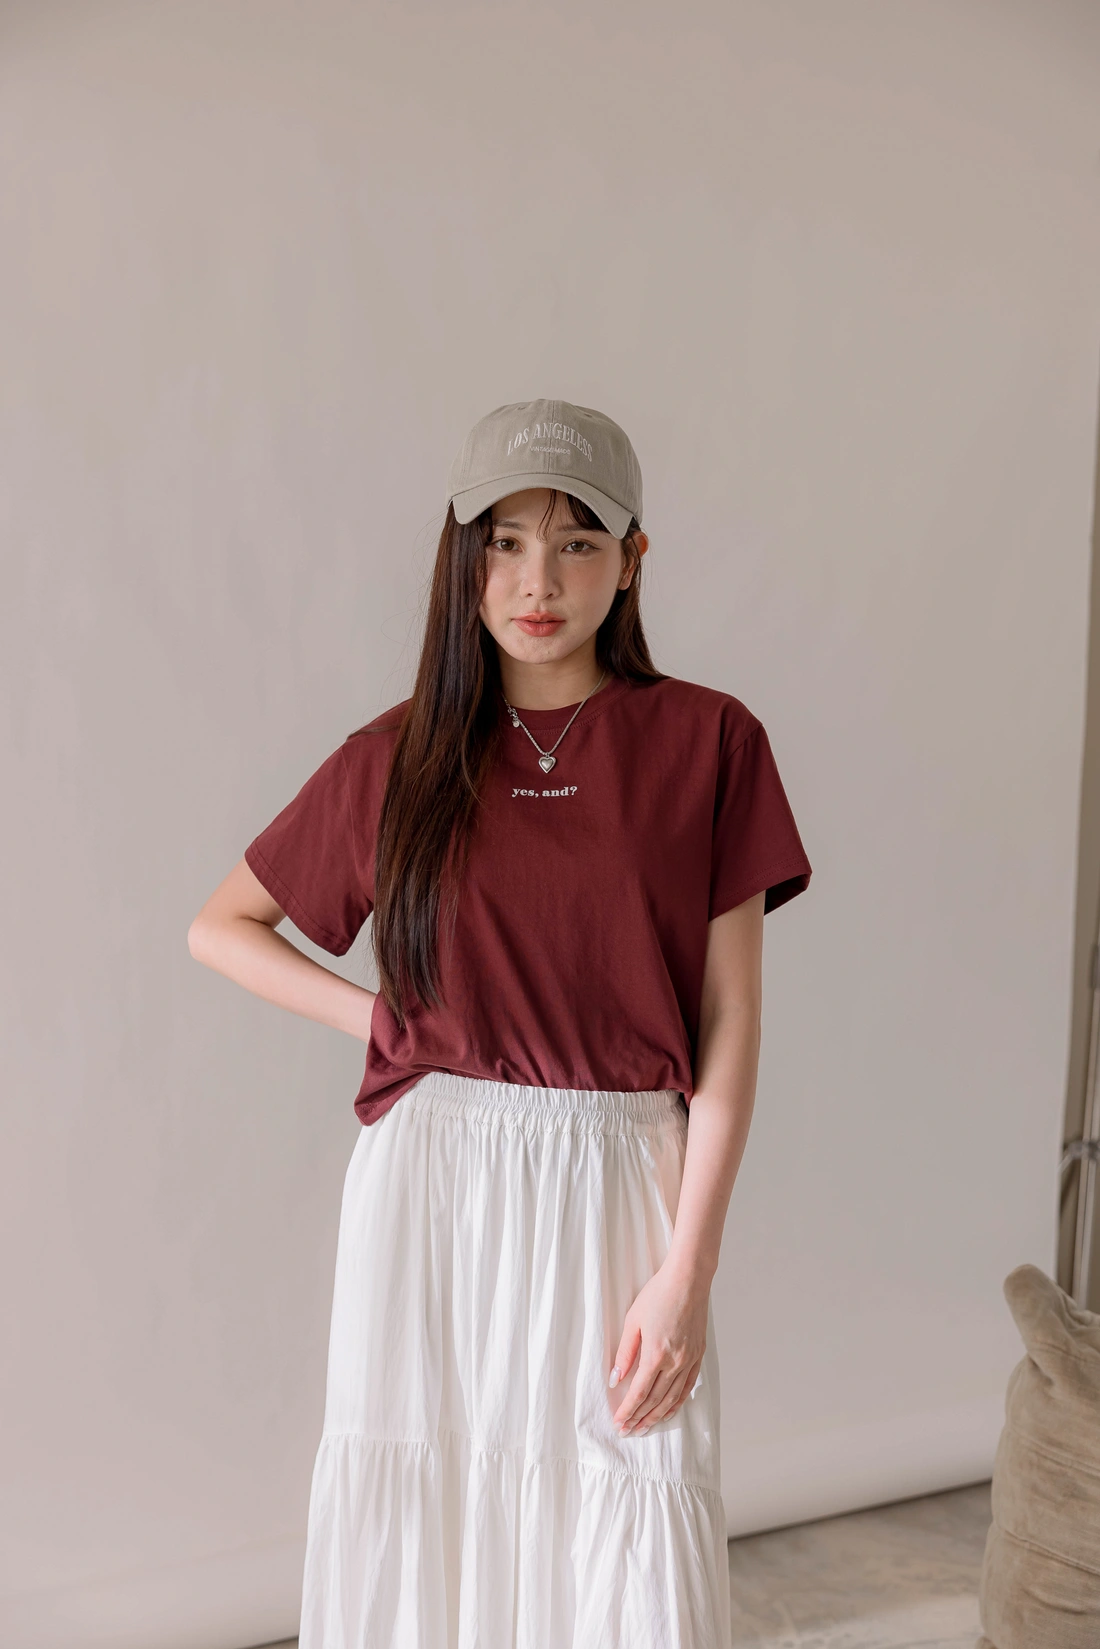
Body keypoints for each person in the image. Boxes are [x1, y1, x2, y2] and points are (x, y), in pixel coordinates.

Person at [188, 397, 812, 1646]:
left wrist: (688, 1267)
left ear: (630, 562)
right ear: (462, 555)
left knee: (626, 1506)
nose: (539, 581)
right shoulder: (399, 755)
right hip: (434, 1184)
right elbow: (223, 925)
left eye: (577, 542)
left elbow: (730, 1015)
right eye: (508, 542)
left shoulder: (709, 742)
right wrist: (389, 1019)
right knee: (432, 1508)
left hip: (625, 1181)